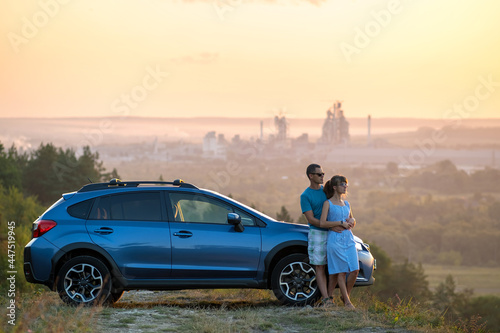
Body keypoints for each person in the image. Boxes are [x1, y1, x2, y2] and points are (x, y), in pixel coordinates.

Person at [300, 164, 346, 306]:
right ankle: (326, 299)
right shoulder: (305, 196)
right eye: (319, 174)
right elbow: (311, 220)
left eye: (323, 174)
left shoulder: (325, 191)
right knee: (319, 266)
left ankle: (330, 296)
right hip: (317, 234)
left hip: (333, 233)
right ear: (311, 176)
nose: (322, 176)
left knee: (333, 266)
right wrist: (332, 225)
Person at [320, 175, 359, 309]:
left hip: (348, 239)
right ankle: (348, 302)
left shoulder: (347, 203)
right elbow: (322, 222)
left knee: (355, 270)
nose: (345, 187)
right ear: (335, 187)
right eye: (343, 184)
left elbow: (351, 219)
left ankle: (345, 295)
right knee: (341, 272)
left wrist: (352, 221)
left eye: (346, 184)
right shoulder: (328, 203)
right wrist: (339, 223)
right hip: (335, 239)